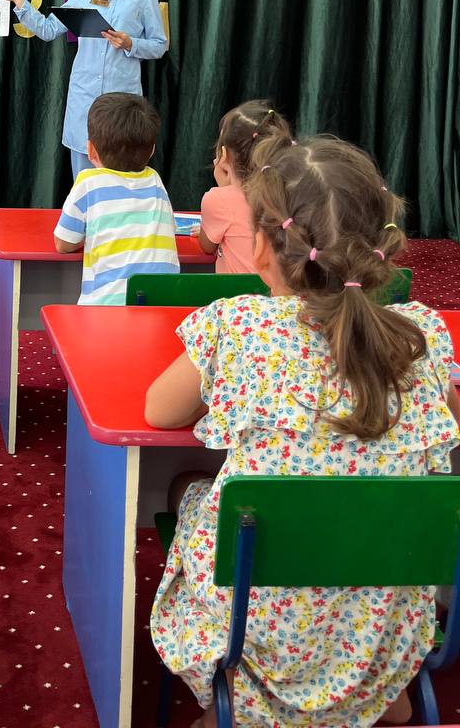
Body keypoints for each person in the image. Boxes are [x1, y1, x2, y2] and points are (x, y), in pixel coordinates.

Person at [146, 136, 459, 728]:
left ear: (262, 246)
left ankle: (247, 694)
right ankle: (372, 689)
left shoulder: (238, 324)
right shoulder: (425, 337)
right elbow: (449, 425)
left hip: (255, 623)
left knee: (190, 493)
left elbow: (159, 411)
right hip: (382, 618)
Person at [0, 0, 167, 178]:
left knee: (122, 173)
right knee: (84, 178)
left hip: (122, 103)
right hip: (85, 99)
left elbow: (159, 45)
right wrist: (19, 0)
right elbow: (48, 30)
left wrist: (131, 44)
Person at [53, 92, 179, 302]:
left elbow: (63, 243)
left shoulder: (88, 182)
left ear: (90, 149)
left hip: (106, 309)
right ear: (152, 150)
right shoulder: (155, 181)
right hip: (162, 310)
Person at [198, 101, 292, 273]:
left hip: (236, 292)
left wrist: (224, 188)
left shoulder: (217, 200)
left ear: (224, 154)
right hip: (279, 289)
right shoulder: (289, 194)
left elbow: (207, 246)